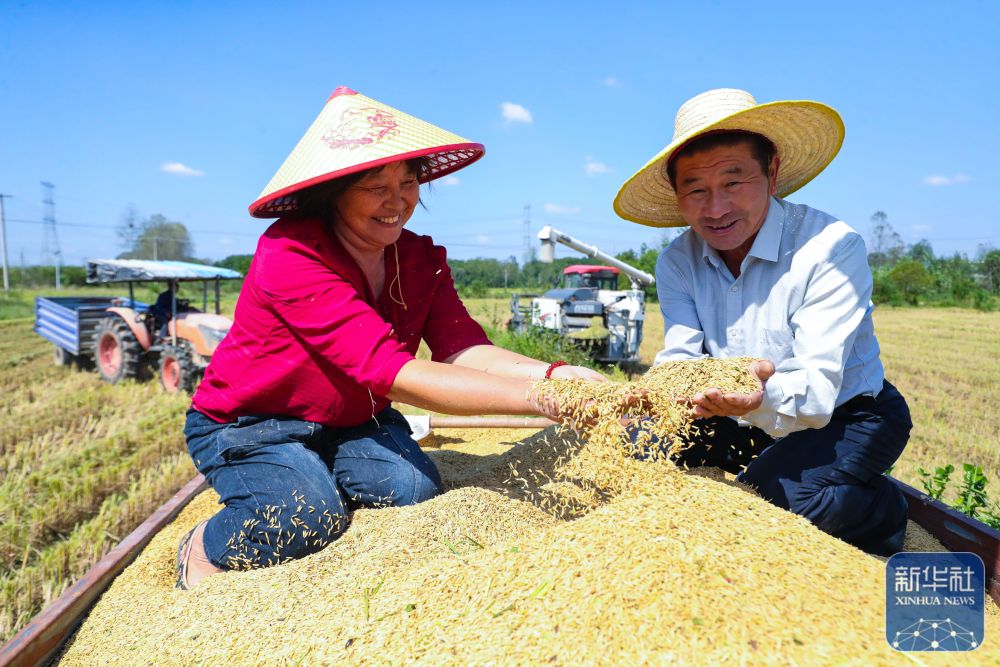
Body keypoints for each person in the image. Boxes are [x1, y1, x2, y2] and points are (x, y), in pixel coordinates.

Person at [176, 87, 606, 589]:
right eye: (375, 186)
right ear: (332, 192)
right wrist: (544, 399)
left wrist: (558, 375)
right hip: (253, 421)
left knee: (413, 490)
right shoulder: (291, 253)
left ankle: (315, 468)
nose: (397, 201)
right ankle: (202, 545)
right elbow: (392, 372)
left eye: (408, 181)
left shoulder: (419, 258)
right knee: (306, 516)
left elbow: (463, 348)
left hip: (353, 418)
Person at [613, 88, 912, 555]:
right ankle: (773, 462)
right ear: (677, 194)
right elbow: (681, 357)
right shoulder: (677, 261)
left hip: (848, 412)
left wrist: (753, 397)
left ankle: (884, 510)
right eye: (696, 189)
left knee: (773, 498)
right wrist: (655, 397)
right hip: (739, 409)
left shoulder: (830, 248)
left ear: (771, 173)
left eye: (734, 183)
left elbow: (816, 394)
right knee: (639, 448)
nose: (716, 209)